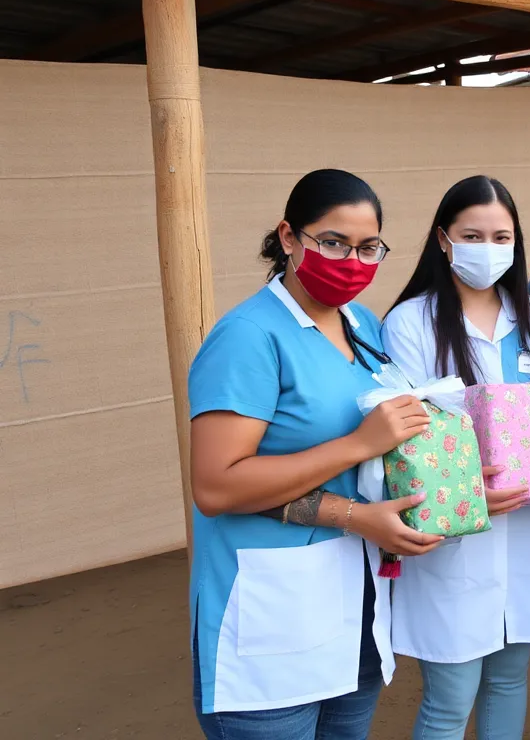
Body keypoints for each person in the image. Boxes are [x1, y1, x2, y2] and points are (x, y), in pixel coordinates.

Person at [187, 169, 440, 739]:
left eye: (368, 247)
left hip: (357, 607)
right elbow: (217, 486)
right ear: (288, 238)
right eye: (333, 242)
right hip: (273, 616)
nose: (352, 260)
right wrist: (356, 448)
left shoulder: (362, 324)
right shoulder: (249, 337)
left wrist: (463, 488)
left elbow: (393, 443)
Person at [380, 175, 530, 740]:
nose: (489, 248)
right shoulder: (410, 323)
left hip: (525, 528)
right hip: (454, 538)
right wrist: (472, 493)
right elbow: (408, 438)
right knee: (450, 699)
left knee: (508, 682)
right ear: (444, 239)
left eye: (502, 236)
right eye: (473, 235)